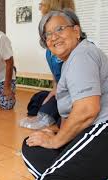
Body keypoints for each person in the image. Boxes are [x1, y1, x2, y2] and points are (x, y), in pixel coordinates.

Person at [22, 9, 108, 180]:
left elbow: (87, 110)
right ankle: (102, 177)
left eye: (59, 29)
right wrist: (56, 132)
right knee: (32, 144)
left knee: (52, 179)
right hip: (98, 130)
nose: (53, 37)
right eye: (47, 35)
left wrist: (55, 141)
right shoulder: (69, 64)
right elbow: (71, 114)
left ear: (76, 31)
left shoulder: (82, 54)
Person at [19, 0, 75, 130]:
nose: (39, 6)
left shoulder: (74, 47)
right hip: (61, 90)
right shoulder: (51, 50)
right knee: (38, 99)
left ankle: (52, 120)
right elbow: (57, 80)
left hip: (73, 93)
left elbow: (73, 86)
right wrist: (53, 93)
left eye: (42, 3)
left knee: (58, 103)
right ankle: (47, 116)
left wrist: (56, 95)